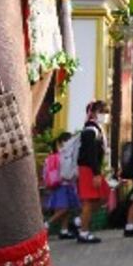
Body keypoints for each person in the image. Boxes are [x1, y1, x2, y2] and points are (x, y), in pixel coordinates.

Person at [73, 100, 113, 244]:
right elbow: (90, 153)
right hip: (88, 169)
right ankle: (83, 232)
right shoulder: (91, 129)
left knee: (104, 195)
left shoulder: (95, 128)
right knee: (89, 202)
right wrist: (96, 173)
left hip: (92, 168)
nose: (106, 115)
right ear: (95, 113)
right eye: (103, 112)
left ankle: (80, 220)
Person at [42, 133, 79, 239]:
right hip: (64, 184)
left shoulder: (52, 157)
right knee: (63, 208)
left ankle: (64, 230)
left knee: (66, 209)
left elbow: (45, 172)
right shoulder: (64, 156)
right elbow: (67, 172)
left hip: (58, 185)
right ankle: (46, 224)